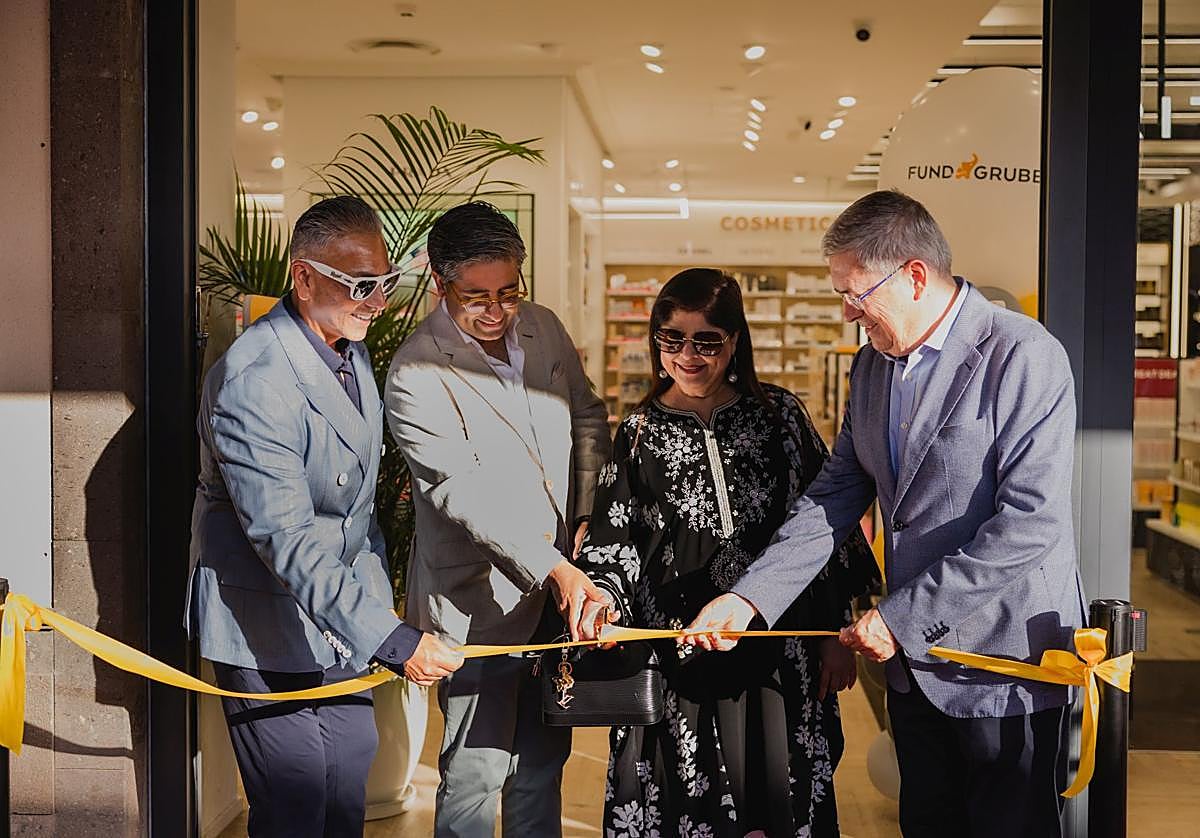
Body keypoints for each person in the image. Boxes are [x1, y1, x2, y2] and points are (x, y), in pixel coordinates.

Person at [685, 190, 1086, 838]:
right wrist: (750, 599)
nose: (848, 313)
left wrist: (902, 616)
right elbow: (837, 492)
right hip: (914, 677)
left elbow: (1030, 523)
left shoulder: (1023, 355)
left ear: (916, 276)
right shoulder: (873, 366)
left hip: (1002, 666)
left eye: (855, 293)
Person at [185, 195, 463, 838]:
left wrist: (374, 613)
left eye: (386, 282)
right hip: (264, 617)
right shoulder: (254, 380)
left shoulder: (348, 346)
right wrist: (392, 640)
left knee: (346, 785)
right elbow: (285, 540)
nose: (378, 301)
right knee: (297, 797)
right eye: (361, 285)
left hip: (340, 619)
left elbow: (357, 514)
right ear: (303, 276)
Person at [567, 268, 878, 837]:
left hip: (781, 651)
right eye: (671, 339)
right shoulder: (636, 432)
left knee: (779, 796)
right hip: (680, 657)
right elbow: (616, 541)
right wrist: (604, 605)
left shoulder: (780, 417)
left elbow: (825, 528)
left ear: (735, 341)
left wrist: (837, 633)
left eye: (706, 340)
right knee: (689, 803)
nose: (687, 355)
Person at [383, 201, 612, 837]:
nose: (496, 310)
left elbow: (588, 416)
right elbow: (461, 490)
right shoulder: (416, 372)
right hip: (476, 603)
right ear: (438, 283)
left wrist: (587, 515)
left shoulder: (544, 327)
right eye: (475, 296)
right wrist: (553, 566)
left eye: (509, 292)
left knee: (543, 763)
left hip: (558, 598)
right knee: (477, 770)